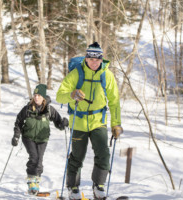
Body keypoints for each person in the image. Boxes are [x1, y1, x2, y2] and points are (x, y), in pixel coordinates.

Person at [56, 42, 123, 200]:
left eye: (97, 59)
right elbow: (59, 96)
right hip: (78, 122)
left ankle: (98, 186)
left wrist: (116, 124)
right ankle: (73, 188)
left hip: (98, 121)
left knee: (103, 154)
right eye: (91, 59)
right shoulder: (76, 74)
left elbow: (114, 102)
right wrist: (72, 95)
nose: (94, 62)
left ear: (101, 60)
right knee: (77, 156)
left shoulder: (107, 75)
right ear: (86, 58)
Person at [12, 84, 69, 195]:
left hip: (42, 138)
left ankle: (36, 182)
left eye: (38, 95)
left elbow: (58, 122)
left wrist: (63, 124)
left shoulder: (49, 109)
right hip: (28, 137)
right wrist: (16, 136)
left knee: (39, 160)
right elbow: (18, 122)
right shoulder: (27, 108)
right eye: (35, 95)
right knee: (34, 157)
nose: (36, 97)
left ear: (43, 97)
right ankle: (31, 182)